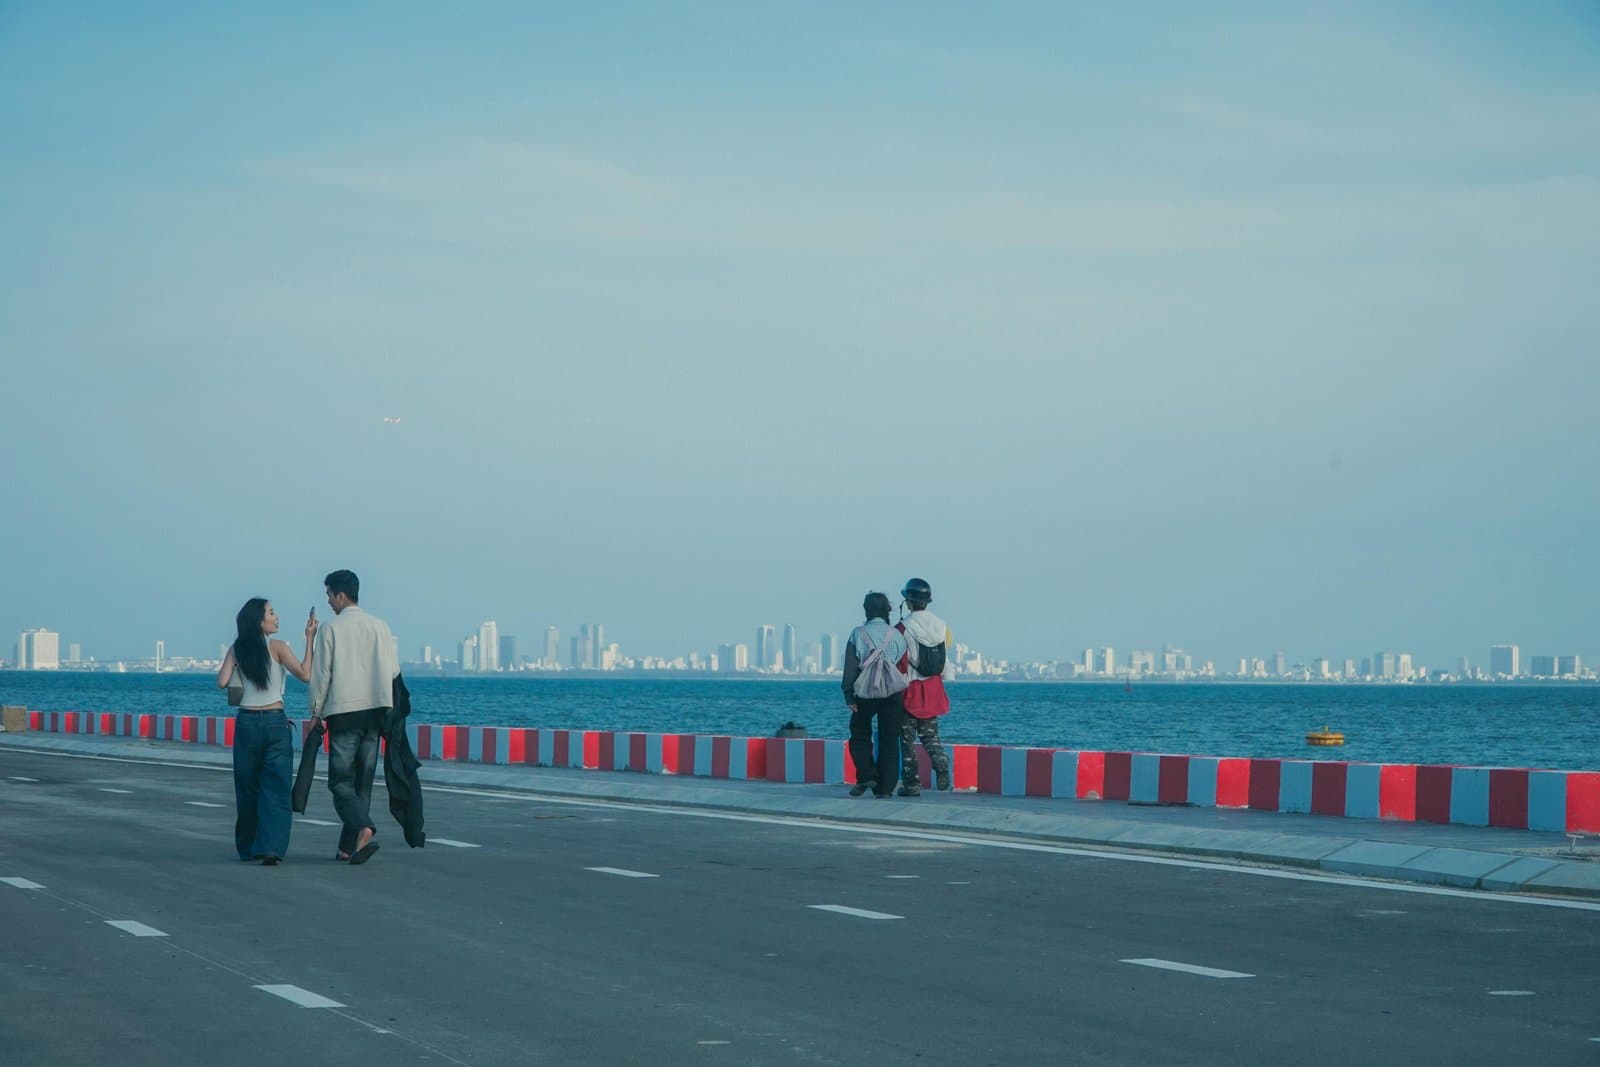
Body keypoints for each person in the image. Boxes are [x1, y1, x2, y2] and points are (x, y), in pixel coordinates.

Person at [309, 569, 399, 865]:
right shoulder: (381, 627)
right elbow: (393, 672)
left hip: (344, 713)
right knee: (363, 782)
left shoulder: (331, 629)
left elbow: (322, 675)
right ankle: (349, 847)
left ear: (341, 594)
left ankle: (364, 827)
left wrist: (315, 713)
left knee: (339, 782)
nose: (329, 602)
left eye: (329, 596)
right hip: (375, 713)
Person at [217, 598, 316, 865]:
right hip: (275, 722)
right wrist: (309, 638)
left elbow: (222, 681)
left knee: (247, 787)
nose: (277, 617)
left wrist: (238, 663)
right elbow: (306, 674)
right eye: (272, 613)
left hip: (246, 723)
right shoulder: (279, 648)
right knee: (277, 786)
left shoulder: (237, 648)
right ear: (260, 621)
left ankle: (248, 847)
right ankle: (271, 848)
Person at [841, 592, 911, 798]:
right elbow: (899, 660)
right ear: (887, 610)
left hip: (865, 692)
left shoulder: (857, 634)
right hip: (892, 692)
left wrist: (848, 695)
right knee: (890, 739)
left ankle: (866, 775)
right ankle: (885, 788)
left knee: (859, 732)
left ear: (866, 610)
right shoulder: (897, 635)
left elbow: (850, 668)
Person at [895, 578, 955, 795]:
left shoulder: (902, 627)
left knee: (907, 739)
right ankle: (940, 758)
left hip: (910, 690)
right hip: (933, 689)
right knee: (931, 736)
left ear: (908, 601)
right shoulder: (942, 625)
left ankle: (912, 784)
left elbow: (899, 662)